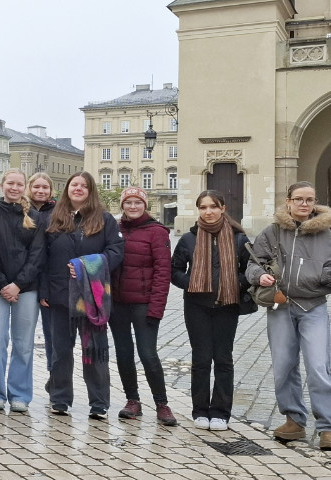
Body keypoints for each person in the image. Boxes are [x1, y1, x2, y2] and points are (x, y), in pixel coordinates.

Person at [246, 181, 331, 449]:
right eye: (299, 199)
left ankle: (327, 426)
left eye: (309, 199)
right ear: (288, 201)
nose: (304, 204)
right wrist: (261, 276)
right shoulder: (271, 232)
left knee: (318, 366)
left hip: (314, 306)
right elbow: (252, 264)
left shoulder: (327, 233)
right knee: (283, 365)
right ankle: (293, 420)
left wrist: (321, 277)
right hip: (280, 306)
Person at [40, 171, 124, 419]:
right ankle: (60, 399)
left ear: (90, 191)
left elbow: (116, 251)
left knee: (95, 350)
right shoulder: (53, 218)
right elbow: (41, 257)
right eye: (73, 184)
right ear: (66, 188)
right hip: (59, 296)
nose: (77, 189)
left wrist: (86, 264)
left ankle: (99, 403)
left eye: (83, 186)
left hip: (92, 297)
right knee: (60, 351)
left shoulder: (105, 220)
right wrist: (43, 290)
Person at [171, 189, 253, 431]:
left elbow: (250, 271)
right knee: (201, 358)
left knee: (223, 359)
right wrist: (192, 284)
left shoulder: (239, 238)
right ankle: (200, 411)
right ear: (199, 210)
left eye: (213, 207)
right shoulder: (188, 239)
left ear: (223, 208)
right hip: (197, 305)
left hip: (227, 305)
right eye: (203, 207)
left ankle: (220, 412)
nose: (208, 211)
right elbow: (174, 270)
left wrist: (235, 283)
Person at [109, 187, 176, 426]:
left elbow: (162, 272)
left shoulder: (157, 232)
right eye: (129, 202)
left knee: (148, 354)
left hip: (144, 303)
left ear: (145, 205)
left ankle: (162, 403)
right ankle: (132, 400)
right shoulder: (114, 229)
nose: (133, 206)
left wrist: (156, 307)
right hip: (117, 303)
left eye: (138, 202)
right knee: (124, 354)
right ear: (123, 205)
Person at [0, 169, 45, 414]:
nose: (15, 188)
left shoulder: (35, 217)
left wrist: (18, 284)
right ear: (2, 184)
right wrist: (1, 283)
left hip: (26, 289)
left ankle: (19, 394)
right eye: (10, 183)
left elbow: (38, 254)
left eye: (20, 184)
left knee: (23, 344)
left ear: (24, 188)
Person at [28, 172, 57, 375]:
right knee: (23, 336)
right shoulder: (21, 210)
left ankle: (53, 376)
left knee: (52, 335)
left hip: (49, 280)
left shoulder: (58, 213)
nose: (40, 191)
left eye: (45, 187)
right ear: (29, 188)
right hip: (25, 281)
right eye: (36, 187)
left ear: (50, 190)